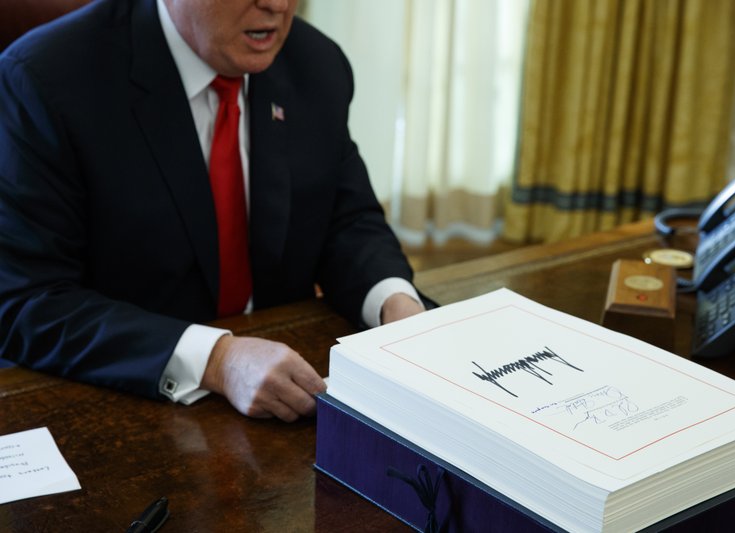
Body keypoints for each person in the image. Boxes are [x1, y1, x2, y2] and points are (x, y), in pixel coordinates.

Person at [0, 0, 427, 421]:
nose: (277, 5)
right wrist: (216, 360)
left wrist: (396, 304)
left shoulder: (316, 64)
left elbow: (347, 219)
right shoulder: (45, 78)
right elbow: (28, 300)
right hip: (117, 407)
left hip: (286, 406)